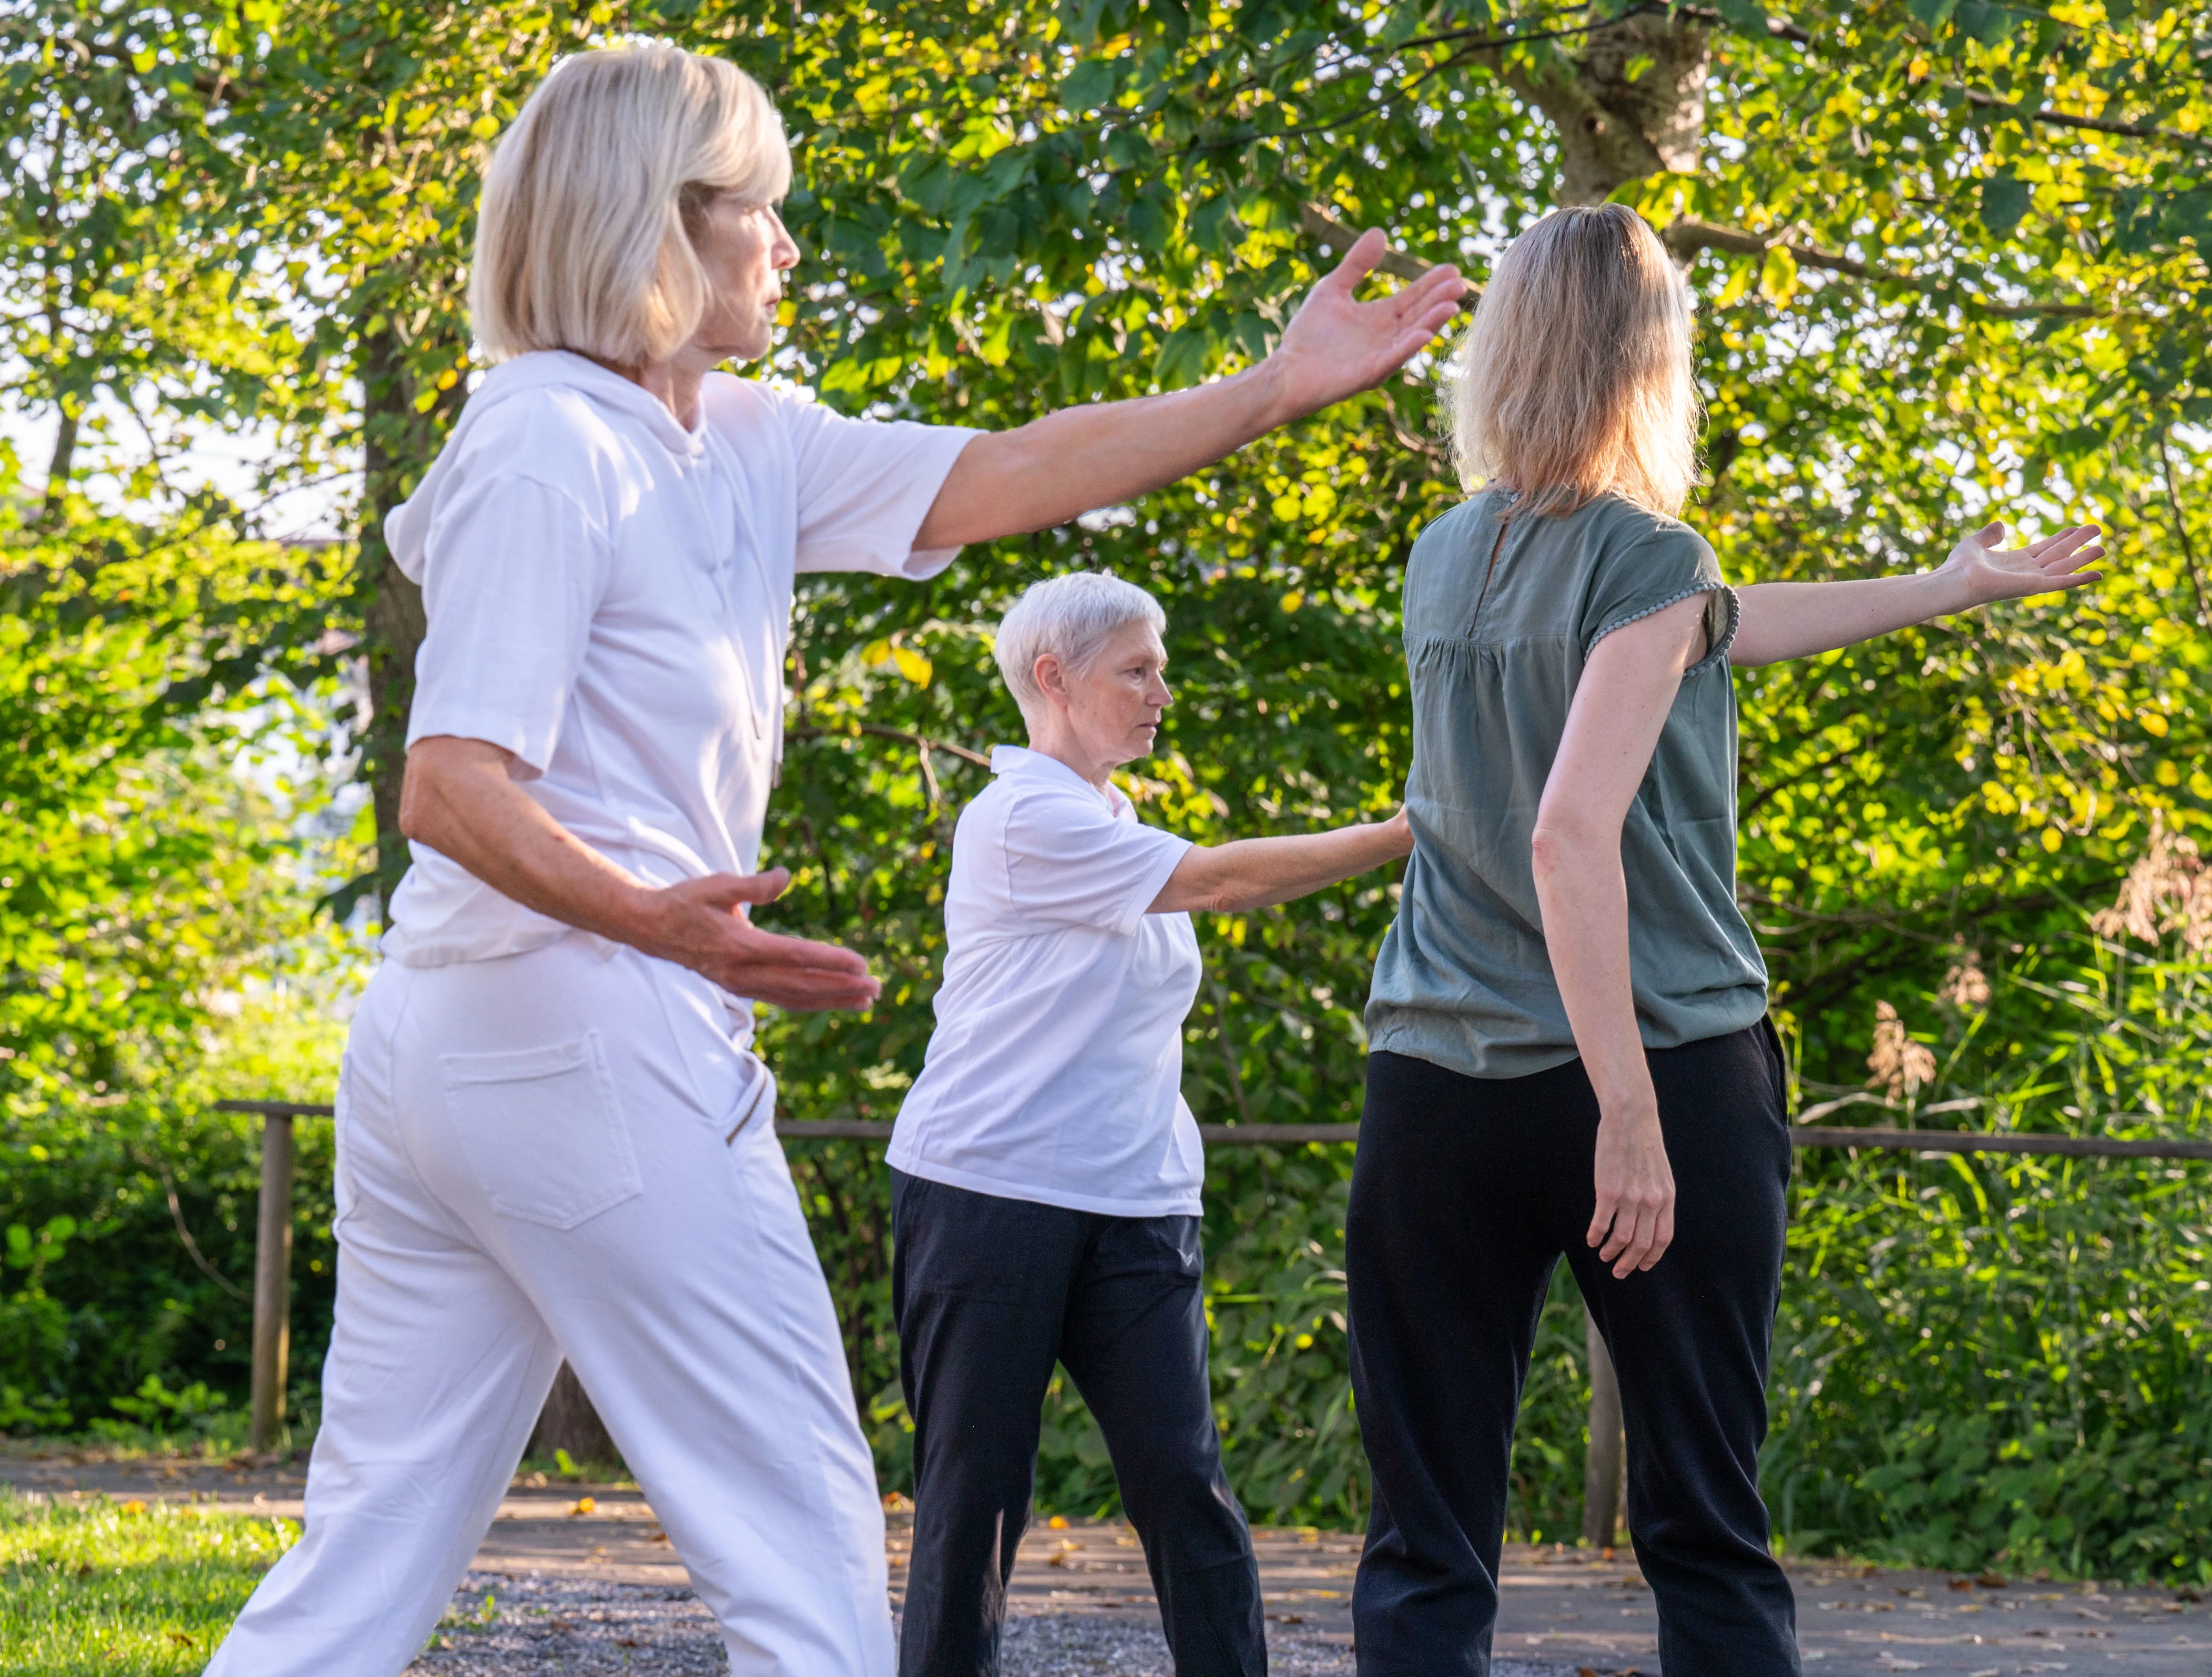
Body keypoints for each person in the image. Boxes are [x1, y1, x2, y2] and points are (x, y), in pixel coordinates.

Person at [204, 44, 1462, 1677]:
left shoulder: (731, 436)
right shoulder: (545, 441)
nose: (789, 248)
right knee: (803, 1548)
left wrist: (1274, 386)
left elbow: (1011, 466)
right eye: (766, 212)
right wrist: (666, 925)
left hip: (490, 1052)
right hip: (577, 1032)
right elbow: (448, 784)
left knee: (367, 1557)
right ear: (663, 221)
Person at [1346, 203, 2105, 1676]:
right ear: (1651, 359)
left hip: (1431, 1076)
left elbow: (1710, 625)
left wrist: (1946, 584)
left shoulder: (1447, 554)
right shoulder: (1647, 553)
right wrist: (1625, 1110)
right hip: (1655, 1066)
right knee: (1701, 1520)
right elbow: (1571, 832)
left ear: (1501, 352)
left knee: (1423, 1536)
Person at [884, 570, 1409, 1677]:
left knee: (1184, 1482)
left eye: (1159, 666)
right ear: (1053, 678)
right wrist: (1407, 832)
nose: (1162, 688)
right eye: (1139, 668)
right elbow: (1218, 884)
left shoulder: (1114, 820)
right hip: (990, 1193)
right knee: (974, 1497)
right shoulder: (1020, 817)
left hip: (1135, 1203)